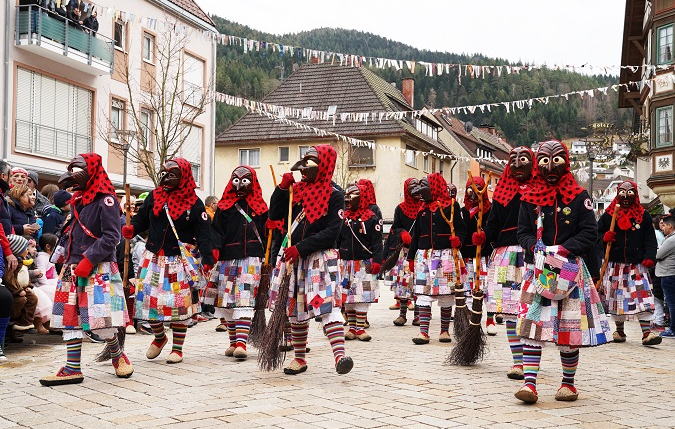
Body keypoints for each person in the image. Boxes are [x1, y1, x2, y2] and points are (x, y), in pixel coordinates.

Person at [515, 140, 611, 404]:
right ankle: (529, 384)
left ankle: (568, 384)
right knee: (532, 327)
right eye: (544, 161)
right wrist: (535, 247)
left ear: (565, 162)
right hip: (538, 269)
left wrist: (563, 249)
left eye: (556, 160)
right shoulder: (529, 198)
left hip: (569, 269)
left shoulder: (579, 197)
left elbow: (589, 233)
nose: (550, 167)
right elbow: (522, 232)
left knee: (569, 330)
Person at [40, 153, 132, 386]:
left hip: (98, 268)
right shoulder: (78, 199)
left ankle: (117, 355)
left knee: (101, 319)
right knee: (70, 317)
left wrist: (89, 259)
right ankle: (72, 368)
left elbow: (112, 237)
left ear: (92, 171)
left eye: (77, 170)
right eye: (70, 171)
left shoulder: (106, 200)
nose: (72, 175)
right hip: (72, 267)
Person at [267, 145, 353, 375]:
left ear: (324, 165)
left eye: (310, 164)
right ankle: (299, 359)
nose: (304, 169)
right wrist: (281, 189)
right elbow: (274, 215)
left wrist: (301, 248)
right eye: (303, 163)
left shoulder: (335, 195)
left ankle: (340, 356)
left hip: (320, 258)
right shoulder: (295, 191)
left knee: (327, 305)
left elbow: (332, 232)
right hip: (293, 258)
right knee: (295, 309)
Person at [122, 158, 214, 364]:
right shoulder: (154, 196)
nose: (166, 178)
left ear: (184, 176)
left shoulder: (195, 203)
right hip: (153, 257)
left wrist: (208, 257)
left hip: (179, 260)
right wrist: (132, 228)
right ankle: (159, 337)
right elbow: (141, 219)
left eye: (172, 174)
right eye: (164, 173)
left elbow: (204, 233)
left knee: (177, 304)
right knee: (149, 301)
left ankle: (177, 349)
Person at [483, 147, 540, 380]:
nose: (517, 164)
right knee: (510, 311)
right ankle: (518, 362)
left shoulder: (542, 190)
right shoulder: (501, 193)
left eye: (523, 159)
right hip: (506, 256)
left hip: (533, 254)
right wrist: (482, 238)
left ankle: (531, 360)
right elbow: (492, 225)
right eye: (513, 160)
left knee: (532, 309)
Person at [205, 166, 268, 360]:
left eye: (245, 181)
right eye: (236, 180)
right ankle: (233, 342)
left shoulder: (261, 207)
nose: (240, 185)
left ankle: (241, 343)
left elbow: (268, 234)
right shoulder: (224, 207)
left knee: (244, 299)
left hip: (251, 259)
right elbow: (216, 232)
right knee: (228, 302)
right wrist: (213, 250)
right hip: (227, 259)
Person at [597, 181, 661, 346]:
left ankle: (647, 333)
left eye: (630, 193)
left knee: (642, 296)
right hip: (615, 265)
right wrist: (603, 238)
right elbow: (595, 234)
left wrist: (649, 256)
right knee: (617, 297)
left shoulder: (643, 215)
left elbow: (650, 239)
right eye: (622, 193)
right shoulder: (609, 214)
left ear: (635, 195)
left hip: (636, 265)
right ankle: (619, 331)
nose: (626, 197)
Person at [407, 173, 467, 345]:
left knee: (446, 294)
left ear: (434, 187)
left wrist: (458, 240)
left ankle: (444, 331)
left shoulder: (452, 206)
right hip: (425, 257)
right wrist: (411, 258)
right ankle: (423, 332)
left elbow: (461, 229)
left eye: (424, 185)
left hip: (446, 257)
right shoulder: (422, 209)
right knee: (423, 294)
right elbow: (416, 235)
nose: (420, 190)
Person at [340, 183, 382, 341]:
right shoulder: (343, 218)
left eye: (351, 196)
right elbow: (337, 239)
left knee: (363, 296)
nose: (347, 199)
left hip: (365, 264)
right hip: (346, 264)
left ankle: (360, 328)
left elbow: (377, 242)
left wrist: (377, 261)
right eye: (346, 196)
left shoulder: (371, 218)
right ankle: (352, 328)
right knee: (349, 297)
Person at [385, 178, 421, 326]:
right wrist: (402, 232)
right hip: (404, 251)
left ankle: (418, 315)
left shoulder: (425, 207)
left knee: (419, 282)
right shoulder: (400, 208)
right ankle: (402, 314)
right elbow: (395, 227)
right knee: (404, 283)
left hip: (420, 251)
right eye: (412, 187)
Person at [461, 176, 494, 333]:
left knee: (487, 288)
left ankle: (490, 319)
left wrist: (485, 237)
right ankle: (471, 318)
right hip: (467, 256)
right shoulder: (462, 212)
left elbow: (495, 230)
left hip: (484, 256)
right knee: (468, 288)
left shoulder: (491, 210)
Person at [5, 235, 37, 332]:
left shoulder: (22, 261)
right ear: (17, 250)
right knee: (20, 301)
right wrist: (18, 291)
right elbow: (9, 279)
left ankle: (25, 322)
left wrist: (29, 286)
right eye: (25, 249)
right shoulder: (12, 264)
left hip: (22, 288)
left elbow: (25, 275)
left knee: (32, 298)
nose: (27, 251)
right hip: (14, 291)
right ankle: (11, 322)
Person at [656, 211, 675, 338]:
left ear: (670, 226)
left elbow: (658, 255)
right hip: (670, 273)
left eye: (664, 225)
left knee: (671, 303)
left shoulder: (671, 240)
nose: (662, 228)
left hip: (669, 274)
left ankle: (673, 329)